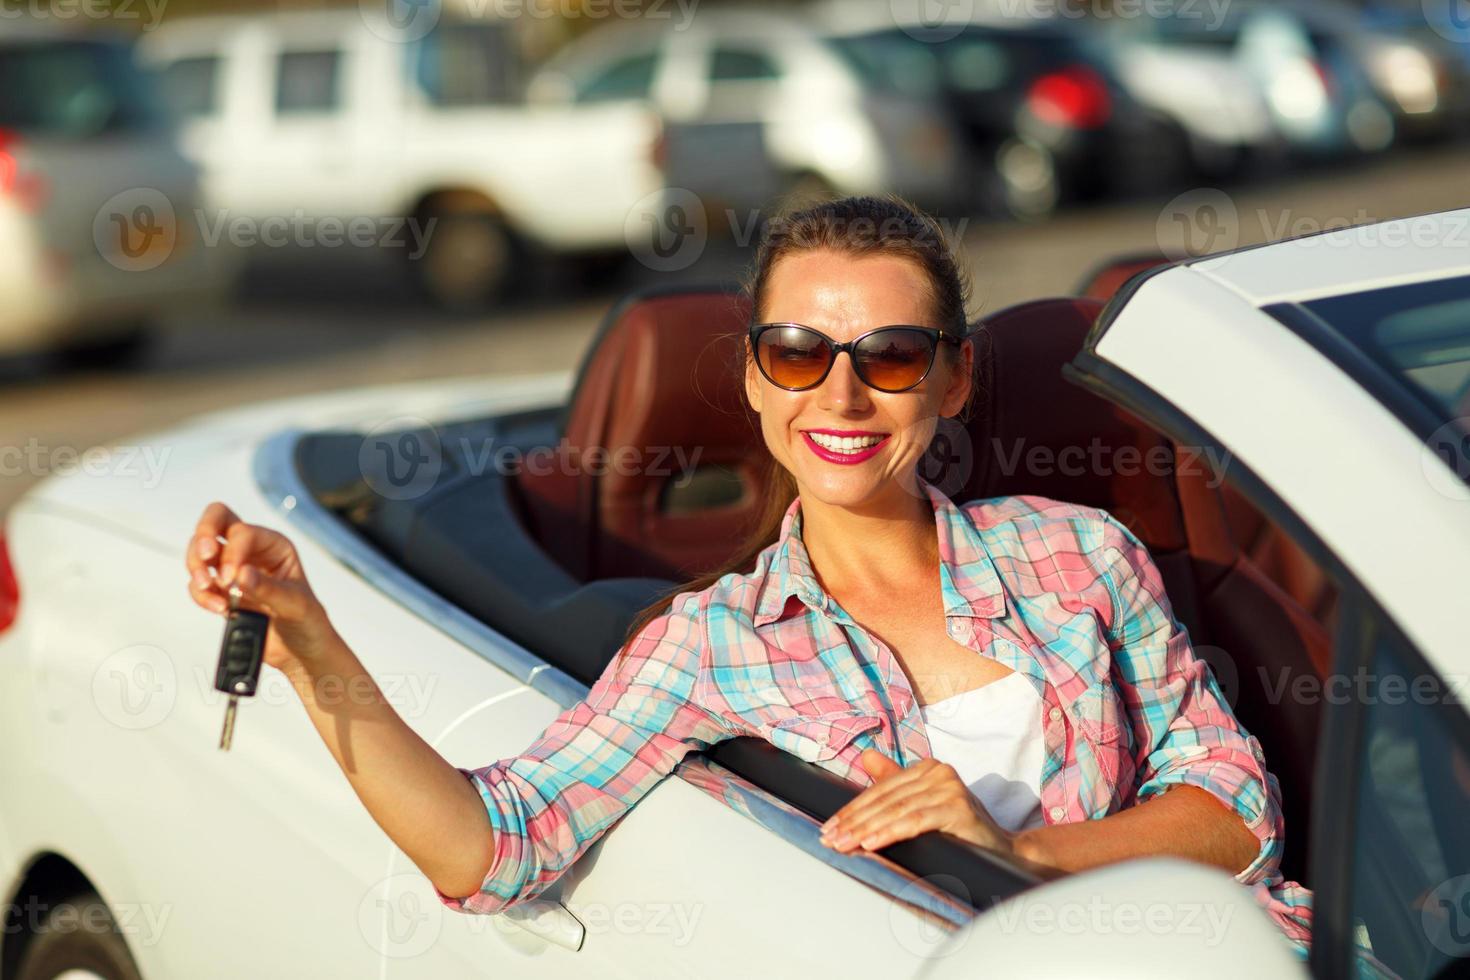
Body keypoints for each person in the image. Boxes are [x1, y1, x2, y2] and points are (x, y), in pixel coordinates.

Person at [183, 195, 1312, 957]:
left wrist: (1022, 850)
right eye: (797, 354)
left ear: (954, 381)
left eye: (893, 355)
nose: (842, 395)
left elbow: (1238, 808)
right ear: (756, 379)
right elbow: (499, 840)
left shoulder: (1077, 550)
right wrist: (311, 645)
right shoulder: (712, 641)